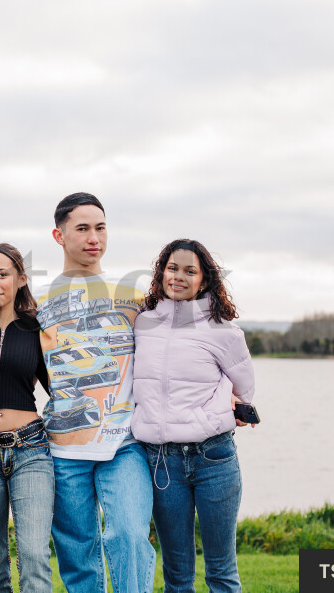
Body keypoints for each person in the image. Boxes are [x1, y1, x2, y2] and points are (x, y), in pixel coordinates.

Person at [34, 193, 155, 593]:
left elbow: (171, 355)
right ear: (59, 235)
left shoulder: (134, 296)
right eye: (83, 228)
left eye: (100, 228)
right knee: (78, 553)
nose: (94, 238)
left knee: (130, 536)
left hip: (126, 443)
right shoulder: (36, 302)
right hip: (63, 447)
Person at [132, 239, 256, 593]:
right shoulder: (142, 323)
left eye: (190, 271)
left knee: (221, 572)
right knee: (177, 575)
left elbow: (245, 388)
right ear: (161, 272)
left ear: (204, 280)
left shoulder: (223, 330)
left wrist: (223, 406)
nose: (179, 277)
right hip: (162, 462)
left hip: (213, 457)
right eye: (173, 268)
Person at [0, 243, 53, 593]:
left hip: (30, 449)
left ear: (21, 279)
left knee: (34, 555)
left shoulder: (38, 329)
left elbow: (62, 388)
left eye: (1, 275)